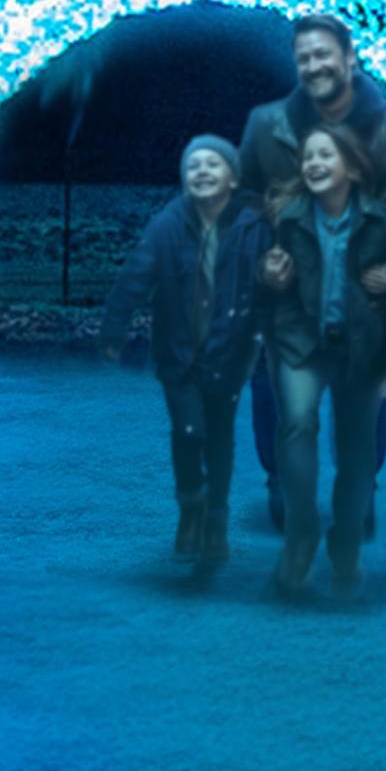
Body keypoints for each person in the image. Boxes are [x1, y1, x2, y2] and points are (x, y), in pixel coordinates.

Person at [249, 117, 386, 598]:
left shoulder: (382, 220)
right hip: (300, 340)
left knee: (357, 439)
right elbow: (260, 275)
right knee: (297, 421)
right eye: (308, 157)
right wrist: (270, 277)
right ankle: (300, 535)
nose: (314, 164)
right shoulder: (286, 217)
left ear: (351, 167)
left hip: (360, 340)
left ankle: (347, 540)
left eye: (325, 155)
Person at [126, 135, 263, 584]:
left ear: (233, 177)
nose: (202, 171)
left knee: (219, 435)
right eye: (193, 165)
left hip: (228, 354)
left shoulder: (252, 226)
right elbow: (139, 271)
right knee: (189, 431)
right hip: (178, 355)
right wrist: (116, 321)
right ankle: (191, 506)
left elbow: (269, 279)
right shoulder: (168, 225)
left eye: (213, 164)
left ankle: (216, 521)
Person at [231, 10, 386, 206]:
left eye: (322, 55)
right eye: (304, 59)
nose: (313, 68)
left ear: (350, 56)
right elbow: (241, 203)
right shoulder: (264, 126)